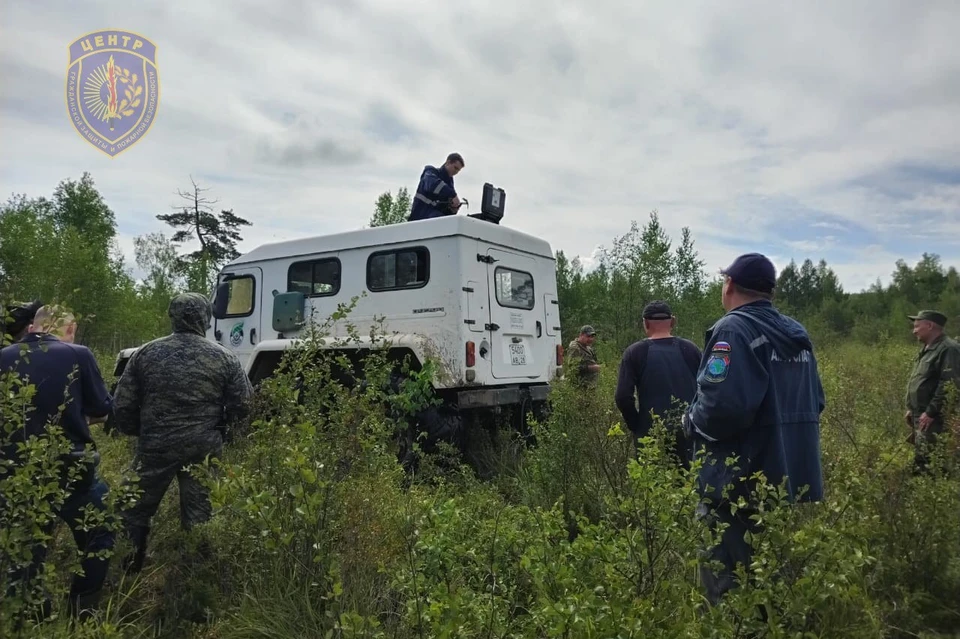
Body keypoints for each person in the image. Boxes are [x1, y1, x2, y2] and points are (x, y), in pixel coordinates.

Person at [681, 252, 825, 606]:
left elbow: (720, 408)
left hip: (734, 483)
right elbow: (816, 401)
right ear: (769, 292)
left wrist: (689, 421)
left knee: (729, 588)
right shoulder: (794, 336)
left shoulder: (734, 330)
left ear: (729, 284)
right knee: (766, 578)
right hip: (782, 478)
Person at [112, 292, 253, 572]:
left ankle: (128, 569)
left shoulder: (145, 353)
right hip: (203, 447)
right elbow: (244, 404)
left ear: (172, 316)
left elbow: (123, 404)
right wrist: (224, 433)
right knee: (200, 515)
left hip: (156, 446)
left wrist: (140, 433)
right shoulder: (224, 357)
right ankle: (195, 578)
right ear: (206, 318)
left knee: (133, 510)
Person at [0, 304, 115, 620]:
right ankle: (83, 610)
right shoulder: (78, 354)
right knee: (100, 531)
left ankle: (31, 614)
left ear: (34, 327)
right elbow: (103, 408)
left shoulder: (4, 356)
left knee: (24, 543)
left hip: (15, 468)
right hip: (72, 467)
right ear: (67, 328)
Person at [615, 301, 701, 466]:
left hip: (651, 436)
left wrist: (638, 426)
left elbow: (623, 397)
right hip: (689, 433)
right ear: (673, 322)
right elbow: (708, 389)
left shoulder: (635, 352)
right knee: (690, 486)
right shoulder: (691, 349)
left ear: (645, 323)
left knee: (653, 487)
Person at [903, 309, 960, 474]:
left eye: (917, 326)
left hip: (934, 418)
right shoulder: (928, 348)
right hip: (920, 415)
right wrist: (912, 408)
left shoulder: (949, 349)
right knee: (922, 456)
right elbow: (923, 380)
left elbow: (950, 383)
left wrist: (931, 412)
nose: (914, 331)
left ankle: (933, 496)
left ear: (929, 325)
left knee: (932, 461)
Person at [408, 153, 465, 221]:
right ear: (448, 162)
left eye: (458, 170)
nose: (456, 172)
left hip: (434, 223)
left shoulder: (449, 186)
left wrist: (452, 210)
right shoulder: (430, 172)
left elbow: (444, 214)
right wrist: (453, 195)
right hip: (419, 219)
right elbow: (432, 185)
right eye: (455, 168)